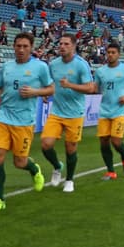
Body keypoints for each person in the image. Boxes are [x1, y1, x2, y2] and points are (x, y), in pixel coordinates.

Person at [0, 32, 50, 213]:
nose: (21, 49)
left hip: (24, 122)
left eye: (25, 46)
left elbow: (51, 89)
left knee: (19, 162)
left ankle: (34, 169)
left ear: (31, 48)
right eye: (18, 46)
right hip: (3, 117)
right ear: (13, 47)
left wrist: (35, 92)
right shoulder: (6, 66)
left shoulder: (40, 67)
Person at [42, 33, 95, 193]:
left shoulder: (81, 65)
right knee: (46, 144)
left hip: (75, 113)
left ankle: (70, 180)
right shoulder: (54, 64)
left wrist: (70, 85)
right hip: (56, 111)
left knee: (70, 148)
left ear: (73, 46)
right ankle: (57, 166)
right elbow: (49, 82)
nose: (62, 46)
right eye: (61, 43)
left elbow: (90, 88)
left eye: (66, 44)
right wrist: (46, 92)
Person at [94, 42, 124, 180]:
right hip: (104, 110)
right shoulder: (100, 71)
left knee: (116, 141)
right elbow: (96, 88)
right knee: (103, 141)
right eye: (108, 52)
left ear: (118, 54)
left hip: (119, 110)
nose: (110, 55)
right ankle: (110, 171)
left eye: (113, 52)